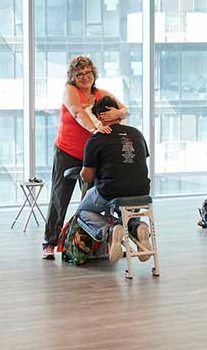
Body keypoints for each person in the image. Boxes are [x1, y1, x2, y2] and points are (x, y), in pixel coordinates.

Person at [42, 55, 129, 260]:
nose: (84, 77)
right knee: (59, 197)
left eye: (88, 73)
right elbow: (77, 112)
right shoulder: (70, 91)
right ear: (73, 77)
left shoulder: (101, 94)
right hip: (67, 151)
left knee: (90, 201)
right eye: (79, 74)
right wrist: (96, 128)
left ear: (94, 74)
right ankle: (50, 242)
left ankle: (90, 244)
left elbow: (125, 110)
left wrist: (116, 114)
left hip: (92, 155)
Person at [77, 96, 153, 263]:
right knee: (127, 206)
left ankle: (110, 231)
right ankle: (138, 227)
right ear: (116, 114)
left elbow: (87, 176)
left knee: (83, 212)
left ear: (98, 117)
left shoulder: (97, 139)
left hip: (111, 191)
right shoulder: (137, 134)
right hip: (142, 191)